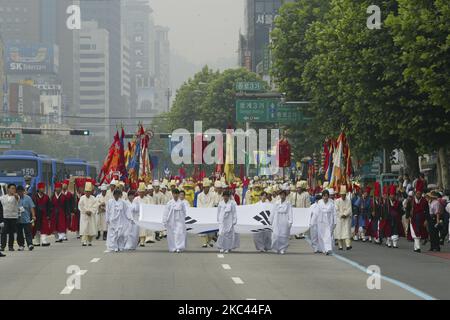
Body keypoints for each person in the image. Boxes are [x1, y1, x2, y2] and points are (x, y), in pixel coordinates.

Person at [162, 189, 187, 253]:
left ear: (178, 194)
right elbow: (166, 212)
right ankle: (173, 248)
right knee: (171, 234)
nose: (175, 195)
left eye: (177, 194)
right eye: (174, 194)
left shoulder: (181, 203)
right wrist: (164, 220)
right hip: (171, 221)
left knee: (179, 233)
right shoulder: (169, 203)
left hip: (179, 220)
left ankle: (179, 247)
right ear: (172, 194)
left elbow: (184, 212)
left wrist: (183, 219)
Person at [408, 180, 429, 253]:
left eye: (420, 193)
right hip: (413, 218)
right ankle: (418, 248)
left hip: (422, 219)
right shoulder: (411, 201)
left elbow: (427, 211)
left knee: (420, 233)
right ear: (415, 193)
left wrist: (426, 220)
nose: (418, 195)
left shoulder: (424, 201)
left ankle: (416, 247)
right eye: (417, 193)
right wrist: (408, 217)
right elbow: (408, 209)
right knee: (415, 233)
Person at [270, 190, 293, 254]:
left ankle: (283, 248)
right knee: (276, 235)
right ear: (279, 195)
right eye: (281, 195)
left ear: (285, 196)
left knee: (284, 235)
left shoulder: (288, 203)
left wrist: (290, 221)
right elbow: (273, 211)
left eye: (283, 195)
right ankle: (275, 248)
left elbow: (290, 212)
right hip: (277, 219)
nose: (282, 196)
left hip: (284, 219)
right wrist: (270, 220)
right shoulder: (276, 203)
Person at [315, 189, 336, 255]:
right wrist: (313, 222)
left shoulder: (331, 203)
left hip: (329, 222)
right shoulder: (319, 203)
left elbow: (334, 213)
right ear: (322, 196)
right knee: (321, 236)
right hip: (321, 221)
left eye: (327, 196)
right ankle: (323, 249)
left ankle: (328, 249)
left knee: (328, 236)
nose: (326, 197)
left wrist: (335, 222)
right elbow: (316, 213)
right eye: (324, 196)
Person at [16, 185, 36, 251]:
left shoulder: (28, 198)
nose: (19, 193)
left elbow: (32, 207)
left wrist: (33, 216)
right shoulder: (15, 198)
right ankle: (21, 245)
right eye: (18, 192)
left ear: (23, 191)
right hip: (18, 219)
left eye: (21, 191)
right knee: (19, 233)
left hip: (26, 218)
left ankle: (30, 244)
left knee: (28, 232)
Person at [0, 184, 20, 251]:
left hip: (13, 217)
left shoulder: (16, 196)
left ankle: (10, 246)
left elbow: (17, 199)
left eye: (14, 188)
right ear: (8, 189)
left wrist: (15, 195)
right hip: (5, 217)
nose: (13, 190)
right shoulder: (2, 197)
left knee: (11, 232)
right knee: (4, 232)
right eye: (12, 188)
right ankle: (2, 246)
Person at [197, 180, 216, 248]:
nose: (206, 188)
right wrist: (203, 212)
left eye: (208, 187)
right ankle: (205, 242)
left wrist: (208, 211)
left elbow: (212, 203)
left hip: (210, 213)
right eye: (205, 187)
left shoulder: (213, 195)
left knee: (210, 229)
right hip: (202, 213)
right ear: (203, 187)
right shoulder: (199, 195)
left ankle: (209, 241)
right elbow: (199, 205)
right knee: (203, 228)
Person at [78, 182, 98, 246]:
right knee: (84, 228)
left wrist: (91, 211)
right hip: (84, 215)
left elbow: (95, 206)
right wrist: (86, 211)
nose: (88, 193)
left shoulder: (93, 198)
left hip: (91, 215)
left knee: (91, 228)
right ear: (85, 191)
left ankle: (90, 241)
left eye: (89, 191)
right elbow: (80, 206)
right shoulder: (82, 198)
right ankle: (84, 241)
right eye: (86, 191)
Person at [334, 186, 352, 250]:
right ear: (340, 194)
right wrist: (341, 215)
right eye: (342, 195)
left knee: (346, 232)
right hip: (339, 219)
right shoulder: (337, 201)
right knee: (339, 232)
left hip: (346, 218)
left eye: (344, 195)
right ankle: (340, 246)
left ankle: (348, 245)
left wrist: (345, 214)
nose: (343, 196)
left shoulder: (348, 200)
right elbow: (336, 209)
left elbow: (349, 209)